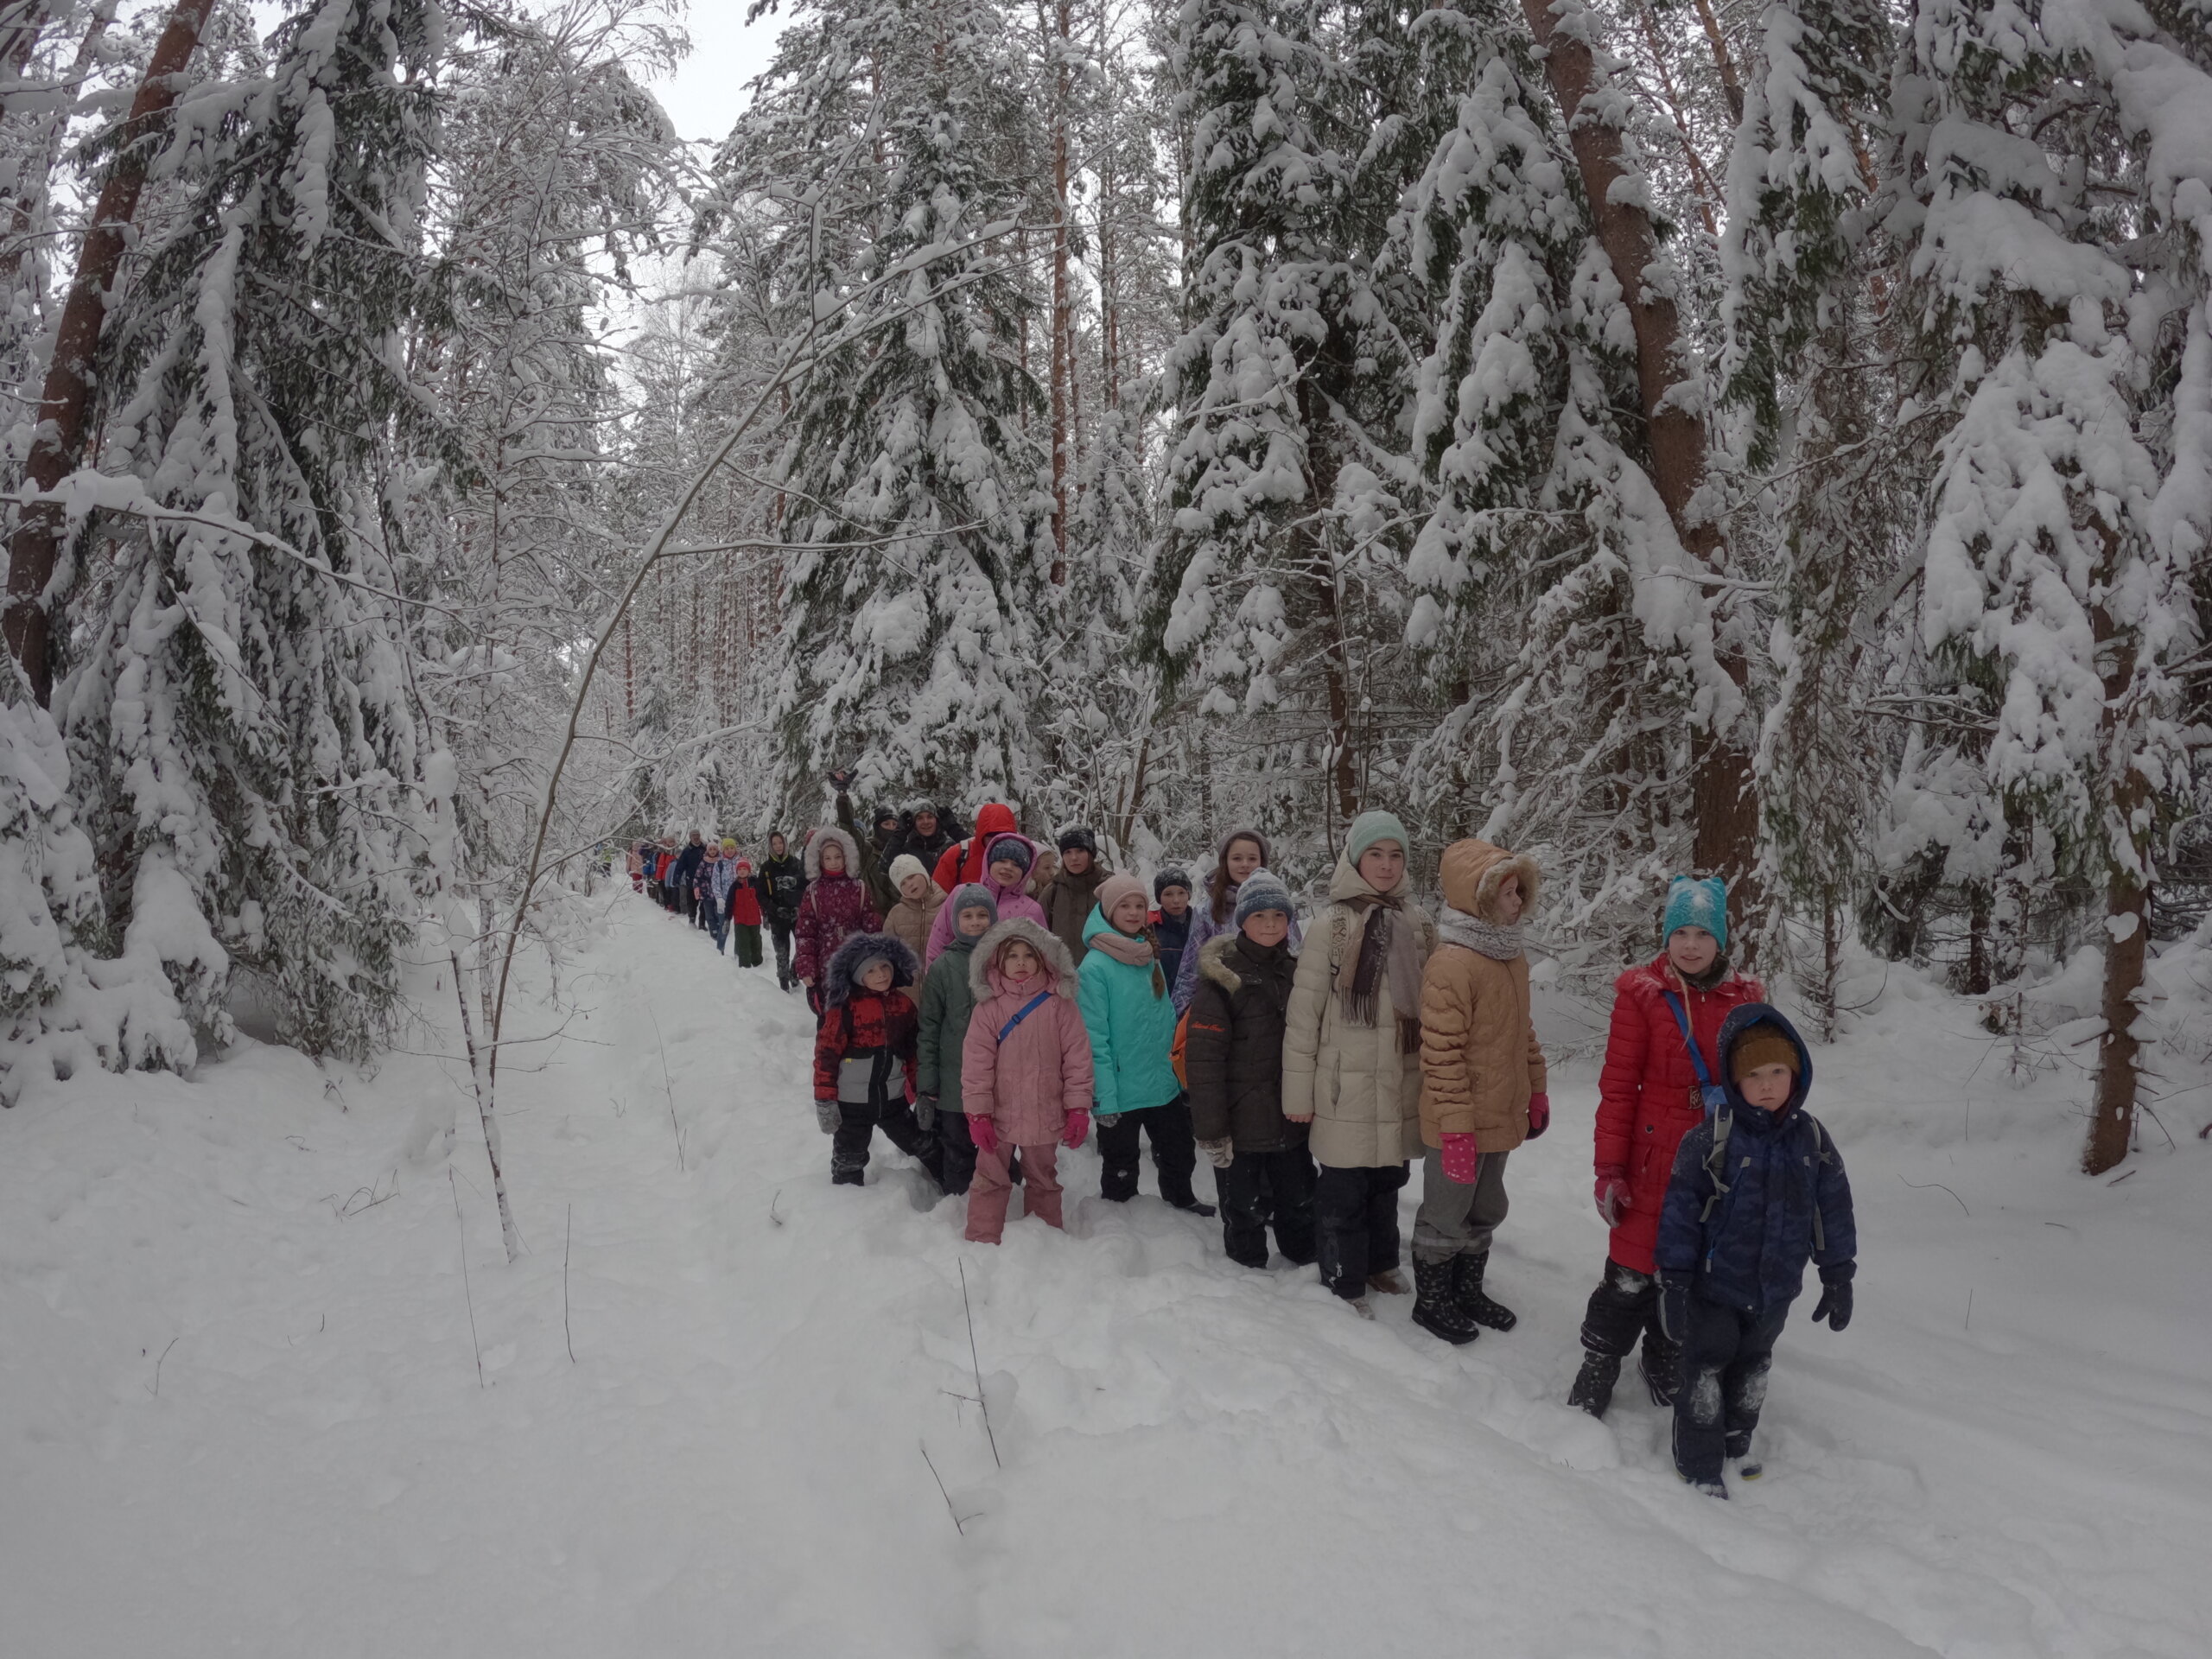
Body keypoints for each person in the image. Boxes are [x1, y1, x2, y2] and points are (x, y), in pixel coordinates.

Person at [1569, 876, 1765, 1418]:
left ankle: (1663, 1355)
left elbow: (1761, 1084)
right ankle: (1599, 1361)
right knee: (1631, 1272)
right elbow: (1617, 1088)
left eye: (1703, 934)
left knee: (1689, 1272)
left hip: (1714, 1162)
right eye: (1681, 933)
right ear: (1666, 937)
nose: (1691, 946)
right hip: (1651, 1158)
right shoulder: (1643, 994)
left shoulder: (1745, 998)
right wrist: (1609, 1169)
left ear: (1720, 939)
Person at [1656, 1003, 1855, 1496]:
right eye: (1753, 1074)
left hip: (1776, 1288)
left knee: (1754, 1365)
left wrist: (1838, 1273)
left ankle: (1736, 1438)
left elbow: (1832, 1209)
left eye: (1777, 1072)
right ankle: (1698, 1461)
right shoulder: (1711, 1138)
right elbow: (1680, 1213)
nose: (1767, 1085)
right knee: (1706, 1367)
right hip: (1715, 1287)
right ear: (1733, 1079)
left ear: (1796, 1073)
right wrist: (1674, 1282)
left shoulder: (1811, 1138)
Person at [1283, 814, 1434, 1319]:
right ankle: (1342, 1278)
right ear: (1355, 859)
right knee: (1343, 1191)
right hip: (1342, 1086)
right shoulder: (1331, 925)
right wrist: (1298, 1096)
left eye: (1396, 856)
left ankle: (1381, 1263)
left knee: (1388, 1181)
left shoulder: (1419, 922)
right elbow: (1304, 1017)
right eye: (1375, 855)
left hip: (1400, 1081)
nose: (1386, 866)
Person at [1409, 837, 1547, 1344]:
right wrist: (1455, 1130)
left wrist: (1536, 1090)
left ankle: (1467, 1290)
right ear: (1480, 900)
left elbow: (1522, 1032)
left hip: (1500, 1113)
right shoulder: (1452, 963)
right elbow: (1440, 1054)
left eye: (1518, 891)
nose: (1517, 901)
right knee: (1446, 1211)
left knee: (1486, 1206)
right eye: (1507, 893)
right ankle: (1432, 1300)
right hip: (1459, 1121)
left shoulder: (1511, 956)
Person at [1187, 868, 1313, 1269]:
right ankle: (1247, 1272)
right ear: (1242, 920)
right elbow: (1204, 1061)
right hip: (1241, 1122)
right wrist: (1212, 1130)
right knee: (1243, 1205)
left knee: (1299, 1198)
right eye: (1260, 915)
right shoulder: (1222, 978)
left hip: (1291, 1117)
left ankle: (1302, 1259)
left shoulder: (1297, 972)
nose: (1271, 924)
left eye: (1279, 915)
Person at [1077, 873, 1214, 1215]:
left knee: (1179, 1151)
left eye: (1139, 905)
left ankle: (1181, 1202)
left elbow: (1164, 1017)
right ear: (1109, 912)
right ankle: (1119, 1221)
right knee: (1121, 1161)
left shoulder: (1147, 953)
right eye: (1124, 906)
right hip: (1121, 1087)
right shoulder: (1094, 967)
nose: (1134, 912)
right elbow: (1094, 1037)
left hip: (1160, 1081)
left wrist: (1176, 1071)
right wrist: (1104, 1098)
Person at [960, 918, 1093, 1243]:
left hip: (1043, 1112)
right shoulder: (989, 1008)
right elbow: (976, 1064)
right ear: (998, 962)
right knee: (990, 1178)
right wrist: (978, 1113)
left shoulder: (1060, 1005)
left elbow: (1077, 1058)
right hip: (999, 1115)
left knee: (1043, 1178)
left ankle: (1044, 1241)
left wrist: (1077, 1108)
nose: (1021, 962)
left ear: (1043, 959)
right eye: (1012, 955)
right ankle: (982, 1239)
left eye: (1029, 955)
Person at [812, 934, 942, 1189]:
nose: (881, 974)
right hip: (852, 1105)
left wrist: (923, 1092)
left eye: (884, 966)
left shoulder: (903, 1006)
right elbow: (826, 1056)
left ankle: (950, 1183)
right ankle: (846, 1197)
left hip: (892, 1100)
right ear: (857, 975)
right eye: (870, 970)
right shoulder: (844, 1008)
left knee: (923, 1143)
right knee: (849, 1157)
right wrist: (825, 1100)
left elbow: (914, 1053)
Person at [918, 885, 997, 1196]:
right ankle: (959, 1201)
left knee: (998, 1144)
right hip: (954, 1081)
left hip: (998, 1075)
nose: (975, 922)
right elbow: (929, 1027)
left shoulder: (1005, 960)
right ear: (955, 920)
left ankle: (1001, 1198)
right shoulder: (942, 967)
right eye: (967, 915)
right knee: (958, 1144)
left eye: (982, 915)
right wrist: (927, 1085)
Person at [1172, 829, 1301, 1012]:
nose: (1245, 864)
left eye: (1252, 858)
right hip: (1224, 1006)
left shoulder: (1280, 905)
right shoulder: (1206, 910)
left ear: (1262, 862)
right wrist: (1182, 1011)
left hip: (1274, 1004)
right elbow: (1190, 969)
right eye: (1237, 858)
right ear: (1225, 862)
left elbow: (1296, 956)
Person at [792, 827, 881, 1019]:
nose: (833, 862)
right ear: (820, 860)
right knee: (830, 1018)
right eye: (828, 858)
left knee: (859, 1015)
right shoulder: (813, 891)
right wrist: (807, 968)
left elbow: (871, 927)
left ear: (846, 856)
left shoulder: (859, 888)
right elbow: (805, 934)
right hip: (825, 966)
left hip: (856, 964)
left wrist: (876, 960)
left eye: (838, 857)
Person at [924, 830, 1046, 963]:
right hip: (957, 974)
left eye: (1016, 864)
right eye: (1002, 860)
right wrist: (935, 974)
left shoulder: (1032, 910)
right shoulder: (962, 893)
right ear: (989, 862)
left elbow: (1043, 956)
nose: (1008, 867)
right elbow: (938, 941)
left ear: (1025, 872)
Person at [1041, 827, 1110, 963]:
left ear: (1091, 853)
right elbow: (1037, 933)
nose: (1074, 858)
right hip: (1062, 970)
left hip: (1102, 970)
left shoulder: (1108, 887)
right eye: (1068, 852)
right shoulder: (1053, 890)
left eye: (1080, 850)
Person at [755, 831, 808, 991]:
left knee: (804, 949)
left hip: (797, 916)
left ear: (785, 844)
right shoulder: (766, 868)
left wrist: (797, 904)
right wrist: (775, 909)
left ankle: (794, 972)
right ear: (771, 846)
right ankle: (784, 988)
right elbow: (760, 895)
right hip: (777, 918)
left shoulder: (796, 864)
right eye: (775, 844)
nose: (778, 846)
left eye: (780, 843)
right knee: (782, 954)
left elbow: (805, 887)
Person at [932, 801, 1023, 892]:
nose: (997, 840)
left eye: (1003, 835)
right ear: (982, 834)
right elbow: (936, 896)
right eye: (992, 835)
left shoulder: (1021, 859)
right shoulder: (958, 855)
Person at [884, 855, 945, 967]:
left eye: (911, 876)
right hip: (909, 976)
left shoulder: (947, 904)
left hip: (940, 975)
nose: (909, 884)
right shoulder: (895, 914)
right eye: (903, 883)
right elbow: (888, 951)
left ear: (923, 873)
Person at [1152, 868, 1194, 989]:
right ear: (1159, 898)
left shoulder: (1201, 924)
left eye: (1181, 893)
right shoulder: (1150, 928)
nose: (1176, 900)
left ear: (1188, 895)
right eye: (1168, 894)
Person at [727, 854, 766, 968]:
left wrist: (765, 914)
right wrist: (727, 919)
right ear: (737, 871)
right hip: (740, 920)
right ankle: (744, 966)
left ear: (749, 870)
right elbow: (729, 903)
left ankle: (758, 963)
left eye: (744, 869)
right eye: (740, 869)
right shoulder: (734, 886)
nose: (742, 871)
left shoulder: (755, 883)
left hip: (754, 918)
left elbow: (762, 899)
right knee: (742, 941)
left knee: (756, 940)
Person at [701, 842, 732, 951]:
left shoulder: (723, 861)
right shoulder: (705, 862)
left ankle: (719, 929)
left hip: (721, 896)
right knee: (709, 914)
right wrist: (697, 888)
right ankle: (713, 931)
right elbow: (698, 876)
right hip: (708, 893)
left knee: (718, 914)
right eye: (710, 849)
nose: (713, 851)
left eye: (714, 849)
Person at [671, 830, 707, 925]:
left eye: (697, 835)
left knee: (704, 904)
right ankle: (692, 920)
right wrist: (676, 878)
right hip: (691, 880)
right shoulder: (687, 851)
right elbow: (680, 865)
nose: (696, 837)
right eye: (693, 836)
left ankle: (702, 923)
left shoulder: (705, 849)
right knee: (692, 902)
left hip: (704, 881)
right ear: (690, 837)